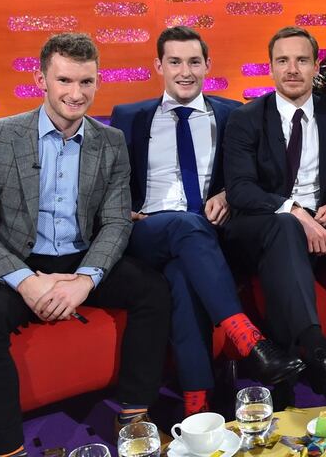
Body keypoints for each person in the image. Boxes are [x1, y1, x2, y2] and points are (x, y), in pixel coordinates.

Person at [0, 33, 171, 457]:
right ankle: (7, 450)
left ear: (97, 81)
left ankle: (134, 417)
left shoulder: (110, 142)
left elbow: (113, 224)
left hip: (79, 256)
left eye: (86, 82)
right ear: (42, 80)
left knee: (153, 290)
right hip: (15, 258)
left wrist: (86, 280)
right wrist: (27, 282)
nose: (76, 94)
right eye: (65, 81)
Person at [110, 26, 305, 418]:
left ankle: (197, 406)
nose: (185, 71)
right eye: (175, 62)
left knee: (183, 275)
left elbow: (256, 178)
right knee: (184, 224)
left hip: (209, 237)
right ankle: (248, 339)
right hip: (149, 228)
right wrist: (119, 209)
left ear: (207, 65)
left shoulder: (234, 114)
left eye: (194, 61)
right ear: (158, 66)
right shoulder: (129, 117)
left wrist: (229, 194)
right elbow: (111, 179)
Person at [222, 26, 326, 405]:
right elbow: (241, 190)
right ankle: (320, 353)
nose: (292, 69)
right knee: (284, 226)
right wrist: (294, 210)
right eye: (283, 61)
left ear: (316, 67)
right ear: (271, 68)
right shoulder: (246, 118)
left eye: (302, 60)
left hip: (322, 221)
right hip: (260, 224)